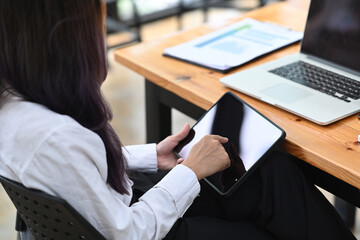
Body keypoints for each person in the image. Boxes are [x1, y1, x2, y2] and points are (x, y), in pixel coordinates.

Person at [0, 1, 357, 239]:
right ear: (67, 40)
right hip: (140, 229)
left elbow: (74, 172)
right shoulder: (53, 135)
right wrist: (191, 171)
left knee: (270, 168)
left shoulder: (19, 105)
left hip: (117, 211)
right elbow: (129, 233)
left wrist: (151, 156)